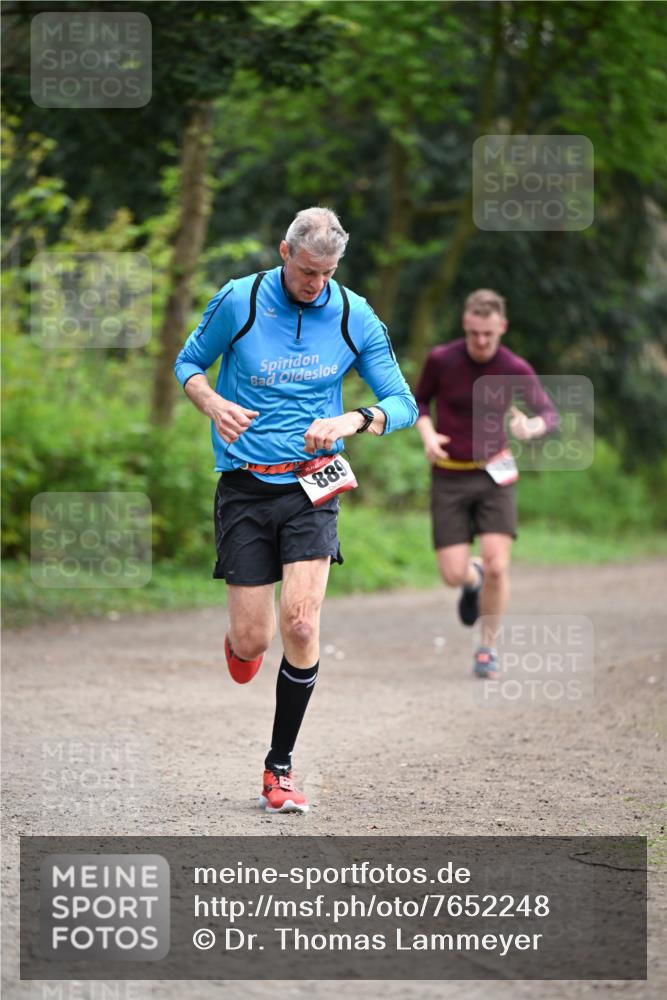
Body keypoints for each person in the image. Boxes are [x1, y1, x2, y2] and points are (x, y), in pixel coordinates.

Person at [174, 207, 417, 813]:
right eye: (307, 271)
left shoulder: (353, 314)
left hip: (313, 485)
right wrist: (211, 403)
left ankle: (278, 769)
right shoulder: (241, 300)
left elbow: (402, 402)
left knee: (302, 624)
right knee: (253, 640)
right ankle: (241, 645)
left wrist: (354, 419)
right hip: (246, 486)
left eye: (327, 273)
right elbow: (187, 364)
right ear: (285, 252)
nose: (316, 284)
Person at [414, 289, 559, 679]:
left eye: (488, 334)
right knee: (452, 574)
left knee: (498, 564)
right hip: (449, 474)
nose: (480, 341)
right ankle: (471, 578)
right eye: (474, 332)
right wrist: (428, 434)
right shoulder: (442, 360)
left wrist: (532, 426)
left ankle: (487, 649)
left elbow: (549, 414)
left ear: (502, 328)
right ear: (466, 324)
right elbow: (419, 401)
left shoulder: (514, 367)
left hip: (496, 475)